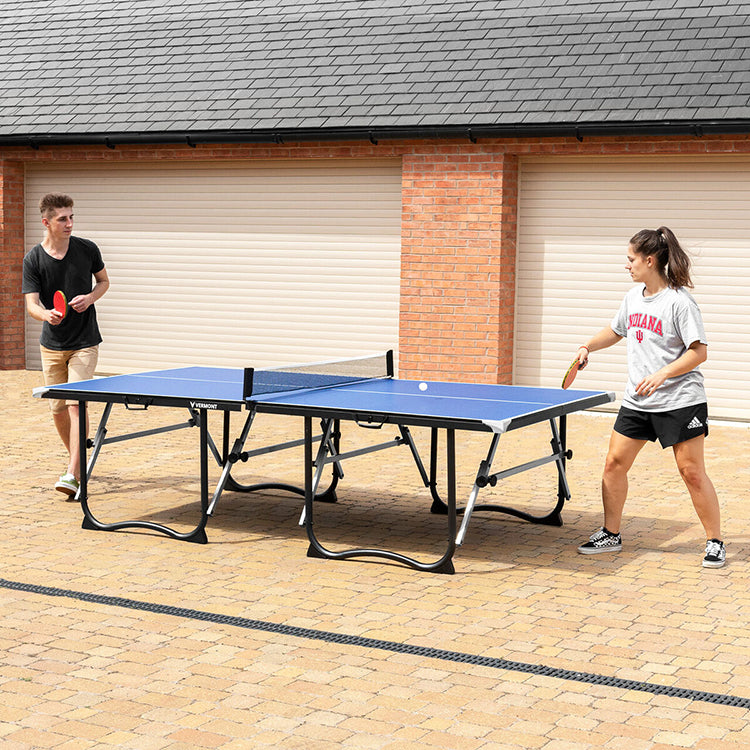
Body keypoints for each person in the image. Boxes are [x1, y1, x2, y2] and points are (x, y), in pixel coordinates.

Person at [574, 226, 725, 568]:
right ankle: (611, 534)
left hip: (680, 401)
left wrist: (661, 374)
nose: (627, 265)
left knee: (692, 472)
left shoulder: (679, 302)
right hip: (638, 402)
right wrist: (587, 347)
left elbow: (698, 353)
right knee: (613, 465)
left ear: (649, 260)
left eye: (631, 260)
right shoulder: (632, 298)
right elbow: (615, 331)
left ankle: (715, 541)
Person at [22, 194, 110, 498]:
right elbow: (31, 305)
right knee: (58, 409)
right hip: (52, 345)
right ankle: (78, 458)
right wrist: (47, 314)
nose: (69, 223)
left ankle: (73, 472)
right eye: (63, 218)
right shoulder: (34, 259)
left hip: (85, 342)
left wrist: (90, 298)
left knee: (75, 404)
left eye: (71, 217)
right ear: (46, 222)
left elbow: (103, 282)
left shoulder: (87, 250)